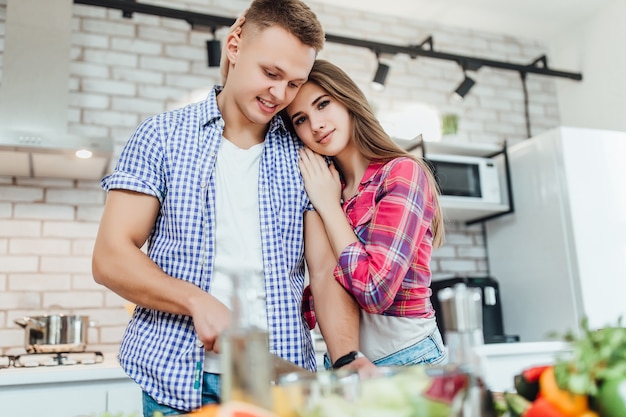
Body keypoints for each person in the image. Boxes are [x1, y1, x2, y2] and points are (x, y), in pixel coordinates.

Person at [91, 1, 325, 415]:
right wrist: (197, 301)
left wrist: (345, 361)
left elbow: (324, 274)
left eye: (294, 83)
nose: (279, 94)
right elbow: (111, 257)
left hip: (279, 381)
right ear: (234, 46)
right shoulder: (161, 137)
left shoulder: (304, 155)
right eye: (270, 73)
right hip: (177, 382)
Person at [284, 59, 448, 371]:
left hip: (410, 359)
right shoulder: (328, 184)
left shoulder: (401, 172)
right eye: (301, 119)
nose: (316, 125)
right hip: (348, 365)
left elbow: (376, 290)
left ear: (347, 100)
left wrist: (329, 207)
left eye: (323, 104)